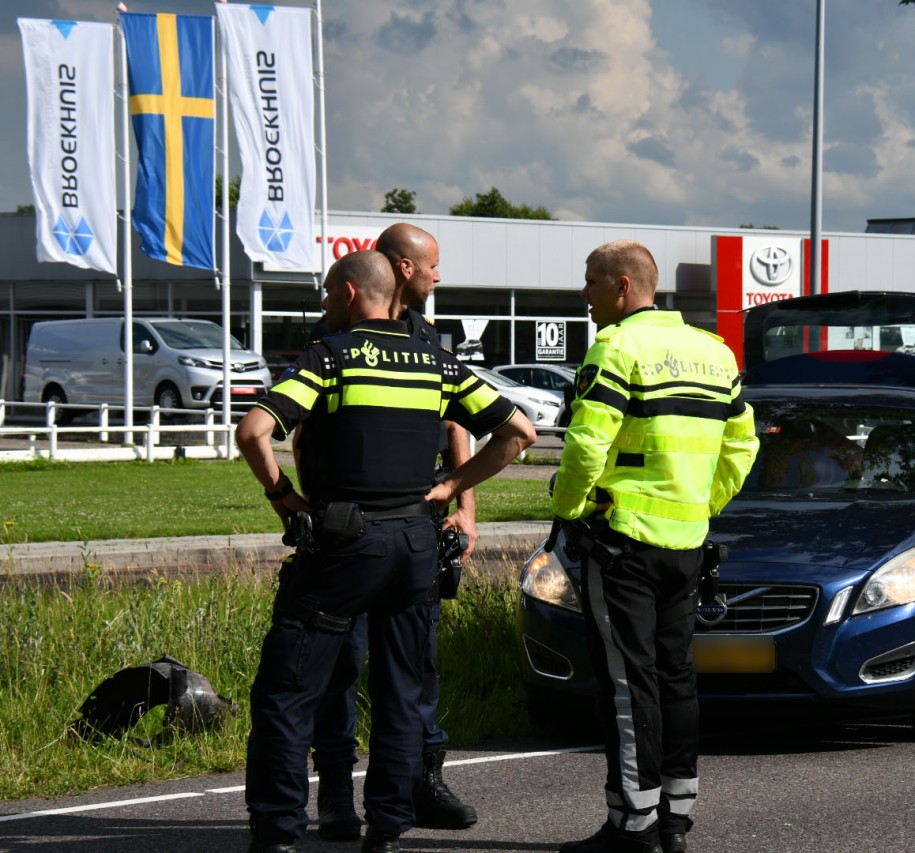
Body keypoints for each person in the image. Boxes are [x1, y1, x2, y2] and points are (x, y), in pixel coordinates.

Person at [238, 249, 536, 853]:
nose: (323, 304)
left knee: (289, 689)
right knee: (403, 694)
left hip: (344, 545)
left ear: (350, 294)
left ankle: (278, 832)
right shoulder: (436, 362)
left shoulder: (333, 357)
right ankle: (390, 828)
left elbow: (253, 430)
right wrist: (454, 487)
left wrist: (282, 497)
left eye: (326, 294)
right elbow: (519, 432)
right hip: (416, 546)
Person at [550, 240, 759, 853]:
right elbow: (743, 446)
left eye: (590, 281)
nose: (583, 295)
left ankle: (634, 826)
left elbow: (589, 442)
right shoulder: (714, 353)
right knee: (677, 678)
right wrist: (703, 504)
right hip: (686, 544)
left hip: (623, 545)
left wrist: (568, 510)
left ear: (621, 286)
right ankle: (674, 819)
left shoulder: (616, 347)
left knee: (625, 682)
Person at [309, 224, 482, 840]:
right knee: (339, 664)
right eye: (433, 266)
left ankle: (419, 781)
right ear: (404, 269)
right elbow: (304, 433)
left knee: (416, 663)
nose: (440, 276)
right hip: (351, 526)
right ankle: (335, 790)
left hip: (418, 520)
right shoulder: (336, 332)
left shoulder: (430, 338)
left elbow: (458, 420)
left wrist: (463, 502)